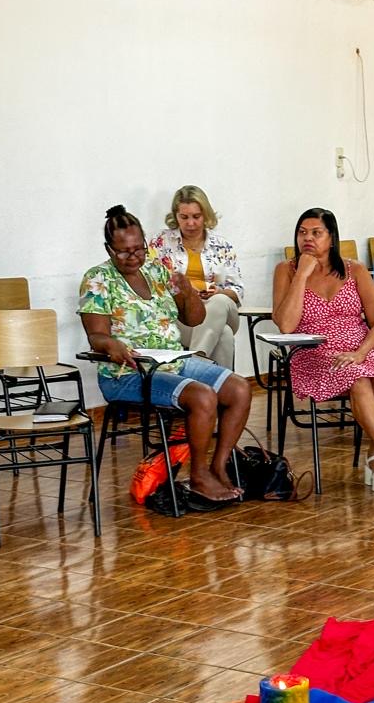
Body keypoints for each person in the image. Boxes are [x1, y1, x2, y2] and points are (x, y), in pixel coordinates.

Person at [79, 205, 253, 508]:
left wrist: (186, 292)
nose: (134, 257)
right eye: (124, 252)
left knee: (239, 388)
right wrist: (111, 345)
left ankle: (219, 466)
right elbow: (96, 336)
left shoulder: (157, 270)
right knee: (202, 397)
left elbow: (194, 319)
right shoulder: (98, 279)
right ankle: (198, 476)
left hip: (173, 361)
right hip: (128, 373)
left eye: (139, 249)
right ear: (109, 249)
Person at [273, 208, 374, 508]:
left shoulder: (355, 270)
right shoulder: (286, 270)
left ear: (332, 238)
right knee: (359, 380)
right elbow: (286, 325)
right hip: (315, 351)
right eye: (302, 232)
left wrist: (360, 352)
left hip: (360, 346)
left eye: (316, 233)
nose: (308, 238)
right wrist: (302, 275)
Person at [148, 185, 243, 370]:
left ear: (205, 215)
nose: (190, 223)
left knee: (219, 301)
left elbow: (238, 290)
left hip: (222, 310)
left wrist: (219, 292)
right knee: (223, 335)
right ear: (175, 216)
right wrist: (184, 292)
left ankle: (195, 366)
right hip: (181, 315)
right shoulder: (161, 242)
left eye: (196, 217)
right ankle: (218, 384)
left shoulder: (221, 245)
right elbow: (151, 285)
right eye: (184, 217)